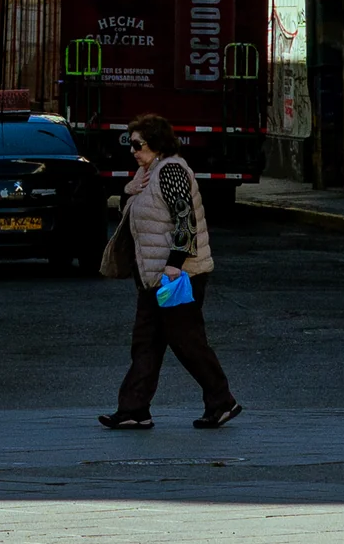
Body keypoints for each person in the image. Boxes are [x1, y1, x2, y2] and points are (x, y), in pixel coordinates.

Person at [98, 113, 240, 432]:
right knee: (146, 342)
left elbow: (184, 219)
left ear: (157, 143)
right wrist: (130, 188)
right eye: (130, 144)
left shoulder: (172, 169)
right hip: (154, 277)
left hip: (178, 275)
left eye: (138, 144)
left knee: (187, 341)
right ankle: (133, 409)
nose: (133, 150)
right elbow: (140, 216)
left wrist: (175, 264)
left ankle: (222, 400)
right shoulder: (148, 173)